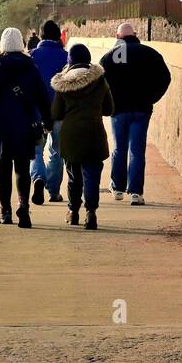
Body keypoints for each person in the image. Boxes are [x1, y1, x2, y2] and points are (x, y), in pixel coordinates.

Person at [0, 27, 51, 228]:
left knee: (3, 169)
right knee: (22, 169)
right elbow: (42, 98)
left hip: (1, 128)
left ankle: (5, 212)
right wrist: (48, 122)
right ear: (21, 45)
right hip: (25, 126)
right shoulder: (31, 68)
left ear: (3, 45)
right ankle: (23, 205)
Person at [99, 22, 171, 205]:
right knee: (137, 151)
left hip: (118, 110)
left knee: (118, 149)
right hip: (141, 109)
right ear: (135, 35)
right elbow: (165, 78)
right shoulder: (150, 54)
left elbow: (100, 82)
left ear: (117, 37)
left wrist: (108, 104)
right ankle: (136, 193)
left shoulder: (109, 57)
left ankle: (117, 188)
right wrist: (152, 98)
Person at [51, 44, 113, 230]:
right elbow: (109, 109)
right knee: (92, 177)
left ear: (70, 61)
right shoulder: (100, 81)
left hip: (71, 137)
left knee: (73, 177)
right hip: (94, 134)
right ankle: (91, 213)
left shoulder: (64, 85)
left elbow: (56, 113)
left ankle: (73, 212)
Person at [29, 19, 68, 205]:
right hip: (59, 113)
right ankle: (53, 192)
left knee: (36, 151)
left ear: (41, 35)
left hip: (35, 114)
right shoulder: (66, 57)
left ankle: (38, 178)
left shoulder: (32, 56)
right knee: (56, 152)